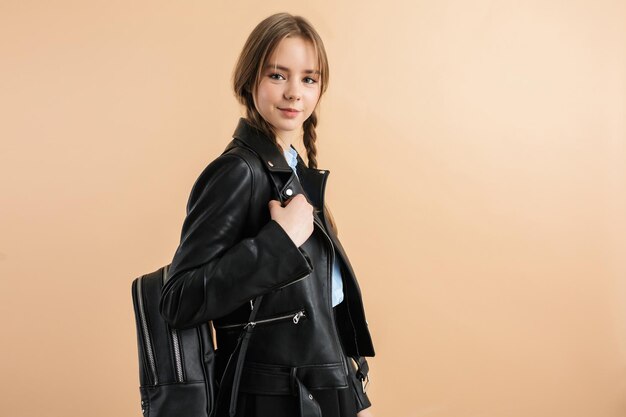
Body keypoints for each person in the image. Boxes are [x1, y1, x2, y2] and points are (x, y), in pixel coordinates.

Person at [159, 12, 376, 417]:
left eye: (308, 79)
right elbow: (180, 299)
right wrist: (278, 242)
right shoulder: (238, 172)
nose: (295, 92)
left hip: (317, 391)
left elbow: (320, 310)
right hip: (275, 399)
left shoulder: (292, 170)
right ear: (249, 80)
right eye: (278, 75)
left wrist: (348, 389)